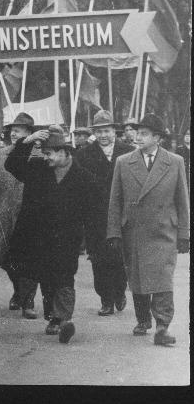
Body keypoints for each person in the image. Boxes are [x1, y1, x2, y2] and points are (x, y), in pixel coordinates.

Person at [5, 125, 100, 344]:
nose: (45, 157)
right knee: (48, 278)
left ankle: (63, 319)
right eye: (43, 153)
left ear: (63, 152)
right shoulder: (37, 169)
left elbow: (93, 212)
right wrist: (27, 141)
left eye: (48, 153)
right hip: (39, 237)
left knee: (65, 277)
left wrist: (92, 241)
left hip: (68, 238)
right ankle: (53, 318)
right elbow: (11, 164)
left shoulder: (84, 177)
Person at [107, 113, 190, 346]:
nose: (137, 137)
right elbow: (116, 200)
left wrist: (185, 233)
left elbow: (183, 200)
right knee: (139, 277)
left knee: (163, 279)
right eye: (137, 133)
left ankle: (163, 326)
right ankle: (143, 319)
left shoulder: (175, 162)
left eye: (143, 133)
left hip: (165, 232)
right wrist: (113, 231)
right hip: (133, 230)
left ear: (157, 137)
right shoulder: (124, 162)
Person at [0, 112, 45, 319]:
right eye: (12, 130)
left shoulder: (40, 153)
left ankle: (28, 300)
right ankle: (19, 290)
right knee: (5, 259)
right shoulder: (1, 155)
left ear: (30, 133)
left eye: (18, 130)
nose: (13, 134)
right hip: (5, 217)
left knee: (30, 259)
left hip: (30, 218)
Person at [74, 110, 134, 316]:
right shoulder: (83, 155)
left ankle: (119, 292)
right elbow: (80, 187)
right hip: (95, 216)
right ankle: (106, 299)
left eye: (107, 130)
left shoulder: (129, 152)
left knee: (119, 258)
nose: (103, 135)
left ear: (114, 131)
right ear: (94, 133)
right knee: (98, 259)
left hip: (121, 216)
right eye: (99, 131)